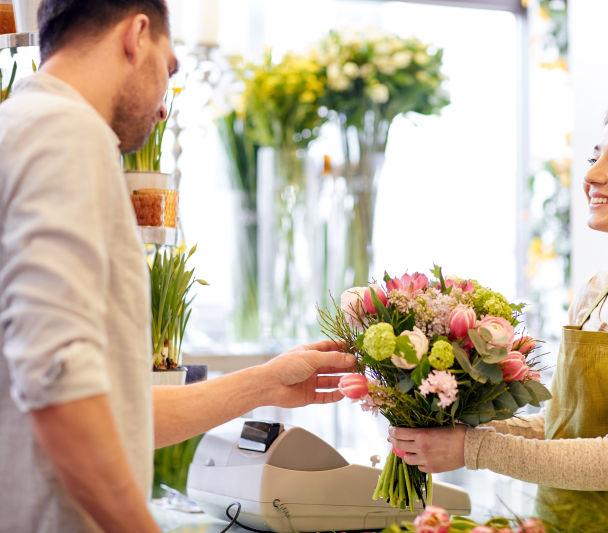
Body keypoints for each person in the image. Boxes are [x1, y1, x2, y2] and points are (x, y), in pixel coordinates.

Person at [0, 2, 354, 532]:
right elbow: (60, 385)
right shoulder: (66, 135)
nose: (164, 108)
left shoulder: (21, 127)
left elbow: (107, 412)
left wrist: (264, 383)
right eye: (169, 70)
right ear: (136, 34)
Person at [389, 93, 608, 531]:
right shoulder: (598, 291)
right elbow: (557, 425)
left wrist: (472, 450)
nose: (592, 175)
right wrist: (444, 430)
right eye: (596, 158)